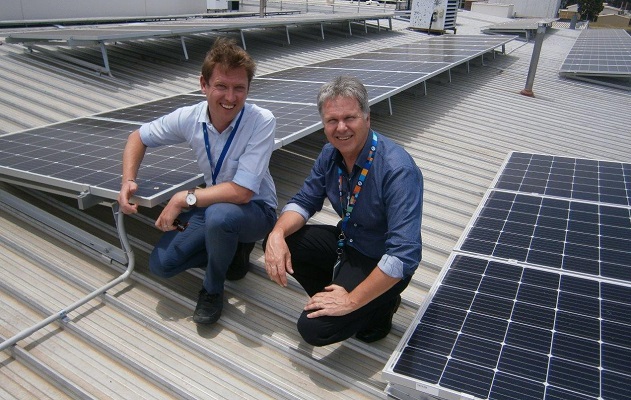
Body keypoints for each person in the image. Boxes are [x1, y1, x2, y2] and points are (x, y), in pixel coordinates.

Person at [117, 37, 277, 325]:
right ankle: (231, 252)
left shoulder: (261, 120)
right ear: (203, 85)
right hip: (214, 203)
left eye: (239, 88)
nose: (230, 97)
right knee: (162, 265)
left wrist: (183, 198)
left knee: (219, 215)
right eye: (221, 86)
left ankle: (212, 290)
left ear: (248, 89)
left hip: (256, 210)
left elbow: (241, 193)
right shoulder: (189, 118)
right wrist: (128, 180)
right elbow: (137, 137)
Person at [264, 76, 423, 346]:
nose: (341, 128)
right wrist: (276, 234)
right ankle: (337, 297)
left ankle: (380, 305)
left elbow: (403, 254)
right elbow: (305, 200)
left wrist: (352, 300)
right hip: (347, 243)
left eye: (349, 118)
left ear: (367, 117)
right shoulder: (330, 153)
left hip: (381, 259)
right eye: (331, 120)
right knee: (285, 242)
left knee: (314, 329)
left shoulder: (397, 170)